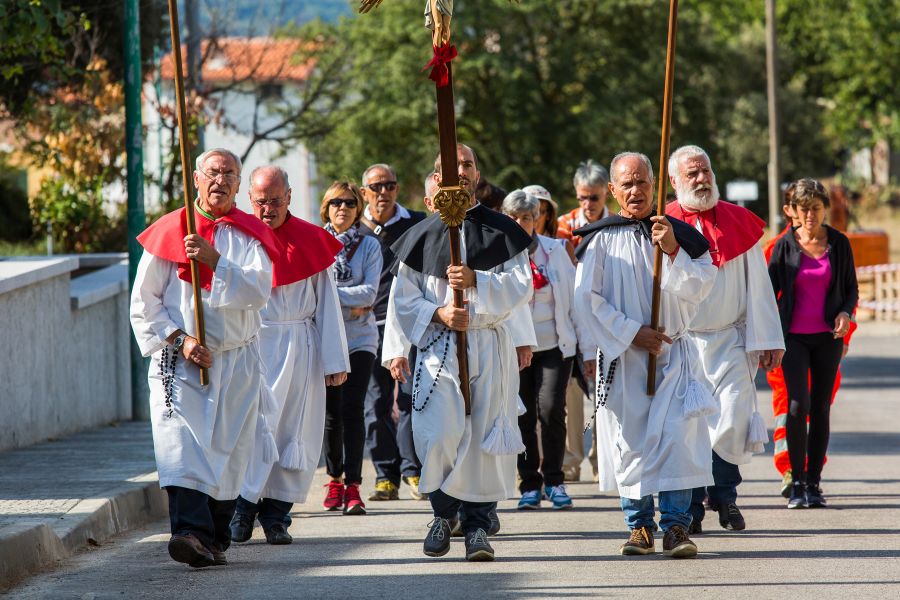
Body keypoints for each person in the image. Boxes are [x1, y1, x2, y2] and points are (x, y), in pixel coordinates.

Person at [130, 148, 280, 567]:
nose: (220, 180)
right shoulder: (170, 231)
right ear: (196, 179)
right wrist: (180, 340)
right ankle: (189, 533)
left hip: (236, 359)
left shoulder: (250, 235)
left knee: (228, 449)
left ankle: (213, 538)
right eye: (212, 172)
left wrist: (215, 261)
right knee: (183, 447)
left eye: (229, 173)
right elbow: (145, 303)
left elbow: (258, 291)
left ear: (239, 182)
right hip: (181, 361)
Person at [387, 143, 534, 561]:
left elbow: (521, 286)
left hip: (488, 343)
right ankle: (441, 513)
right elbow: (403, 299)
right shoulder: (418, 236)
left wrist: (476, 281)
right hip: (439, 346)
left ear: (477, 174)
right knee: (440, 433)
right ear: (437, 178)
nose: (460, 171)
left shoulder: (503, 230)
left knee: (485, 439)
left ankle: (476, 528)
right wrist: (439, 312)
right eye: (449, 167)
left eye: (467, 164)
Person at [574, 152, 716, 558]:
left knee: (676, 440)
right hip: (626, 359)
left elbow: (704, 282)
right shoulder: (600, 239)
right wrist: (632, 333)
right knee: (630, 441)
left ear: (655, 185)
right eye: (627, 184)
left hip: (672, 355)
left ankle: (675, 527)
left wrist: (672, 250)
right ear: (613, 191)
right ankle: (639, 527)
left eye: (642, 182)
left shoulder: (678, 233)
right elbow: (587, 299)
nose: (636, 190)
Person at [665, 145, 784, 533]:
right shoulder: (662, 224)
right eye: (692, 174)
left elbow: (758, 285)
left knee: (732, 418)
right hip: (683, 344)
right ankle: (697, 507)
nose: (702, 179)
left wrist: (766, 338)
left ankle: (725, 496)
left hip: (730, 339)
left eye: (706, 171)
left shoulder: (738, 221)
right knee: (691, 428)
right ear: (674, 181)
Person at [231, 167, 349, 545]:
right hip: (253, 345)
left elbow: (328, 306)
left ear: (290, 197)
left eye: (276, 201)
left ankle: (278, 516)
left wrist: (335, 362)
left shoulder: (311, 240)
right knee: (252, 430)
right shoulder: (238, 238)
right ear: (250, 200)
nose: (268, 210)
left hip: (300, 345)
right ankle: (242, 508)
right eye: (261, 202)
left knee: (295, 433)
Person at [768, 178, 858, 509]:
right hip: (793, 338)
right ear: (794, 211)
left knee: (821, 408)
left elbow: (851, 288)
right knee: (797, 405)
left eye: (816, 209)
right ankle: (796, 482)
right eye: (804, 209)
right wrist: (767, 337)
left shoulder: (839, 243)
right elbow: (767, 292)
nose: (810, 216)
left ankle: (814, 484)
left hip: (827, 338)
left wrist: (846, 314)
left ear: (824, 209)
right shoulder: (784, 247)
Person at [501, 189, 583, 510]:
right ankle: (529, 483)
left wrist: (585, 352)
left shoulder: (557, 250)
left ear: (537, 219)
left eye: (527, 217)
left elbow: (575, 301)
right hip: (515, 347)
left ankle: (555, 480)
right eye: (514, 218)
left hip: (554, 346)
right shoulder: (499, 254)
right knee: (523, 415)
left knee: (550, 410)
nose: (521, 223)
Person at [358, 163, 427, 501]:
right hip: (369, 328)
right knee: (377, 403)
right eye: (375, 186)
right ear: (363, 193)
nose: (382, 192)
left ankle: (413, 470)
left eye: (389, 185)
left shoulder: (417, 223)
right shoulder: (356, 230)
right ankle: (386, 476)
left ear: (397, 189)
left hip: (409, 325)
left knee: (413, 398)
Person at [320, 181, 384, 515]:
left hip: (360, 339)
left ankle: (354, 486)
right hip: (327, 337)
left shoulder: (369, 246)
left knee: (353, 408)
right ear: (326, 208)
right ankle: (334, 479)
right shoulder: (316, 243)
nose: (342, 208)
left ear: (358, 208)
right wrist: (346, 299)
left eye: (349, 203)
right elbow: (314, 294)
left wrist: (332, 296)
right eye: (335, 203)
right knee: (331, 413)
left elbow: (369, 295)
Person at [557, 161, 610, 483]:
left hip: (605, 316)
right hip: (571, 316)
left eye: (594, 198)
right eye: (582, 198)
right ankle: (571, 460)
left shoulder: (616, 224)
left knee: (605, 391)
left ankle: (602, 459)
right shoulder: (563, 225)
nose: (588, 205)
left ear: (606, 194)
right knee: (572, 394)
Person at [523, 184, 577, 264]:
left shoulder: (563, 246)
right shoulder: (511, 247)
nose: (533, 217)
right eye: (527, 212)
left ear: (548, 215)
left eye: (539, 212)